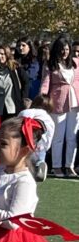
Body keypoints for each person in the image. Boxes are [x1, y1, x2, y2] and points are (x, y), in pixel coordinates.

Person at [40, 36, 79, 177]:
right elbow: (45, 84)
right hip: (58, 104)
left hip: (75, 104)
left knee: (72, 137)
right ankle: (57, 166)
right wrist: (42, 99)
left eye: (67, 49)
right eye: (62, 49)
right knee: (58, 137)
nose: (65, 52)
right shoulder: (50, 65)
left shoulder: (75, 63)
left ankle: (69, 166)